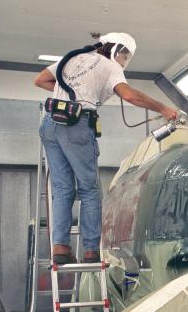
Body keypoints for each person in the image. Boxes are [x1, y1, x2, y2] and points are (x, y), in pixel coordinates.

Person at [34, 32, 177, 264]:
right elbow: (129, 95)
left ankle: (60, 247)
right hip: (76, 124)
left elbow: (40, 80)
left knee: (61, 189)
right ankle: (91, 251)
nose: (124, 61)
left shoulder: (72, 59)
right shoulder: (110, 66)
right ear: (115, 49)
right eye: (125, 55)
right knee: (89, 189)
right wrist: (163, 109)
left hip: (50, 123)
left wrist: (73, 95)